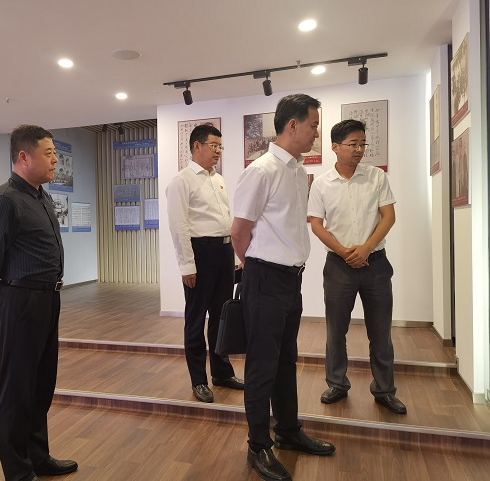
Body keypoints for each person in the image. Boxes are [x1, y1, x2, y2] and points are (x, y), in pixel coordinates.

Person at [231, 94, 335, 481]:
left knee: (286, 359)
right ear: (293, 125)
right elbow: (239, 231)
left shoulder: (295, 169)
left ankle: (288, 431)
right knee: (262, 365)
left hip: (291, 278)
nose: (316, 133)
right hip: (265, 277)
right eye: (313, 125)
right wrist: (254, 266)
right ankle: (258, 445)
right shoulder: (261, 170)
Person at [0, 125, 77, 481]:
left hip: (47, 299)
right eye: (49, 153)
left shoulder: (41, 196)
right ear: (23, 157)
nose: (55, 160)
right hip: (19, 301)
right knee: (17, 389)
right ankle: (18, 471)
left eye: (55, 153)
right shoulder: (5, 201)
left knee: (41, 384)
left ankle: (38, 457)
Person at [308, 119, 406, 415]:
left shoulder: (376, 177)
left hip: (375, 263)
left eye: (363, 143)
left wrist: (365, 248)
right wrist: (343, 251)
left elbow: (388, 216)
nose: (360, 149)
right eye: (353, 144)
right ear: (335, 147)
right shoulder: (322, 184)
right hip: (338, 266)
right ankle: (337, 384)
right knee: (336, 330)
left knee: (381, 331)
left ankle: (384, 390)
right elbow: (316, 224)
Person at [166, 124, 243, 403]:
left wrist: (235, 255)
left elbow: (226, 220)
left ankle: (222, 372)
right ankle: (198, 379)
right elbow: (179, 227)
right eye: (213, 145)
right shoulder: (182, 180)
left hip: (223, 252)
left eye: (220, 146)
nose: (218, 151)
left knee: (221, 316)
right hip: (200, 254)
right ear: (196, 146)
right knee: (196, 319)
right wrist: (187, 265)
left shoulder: (218, 179)